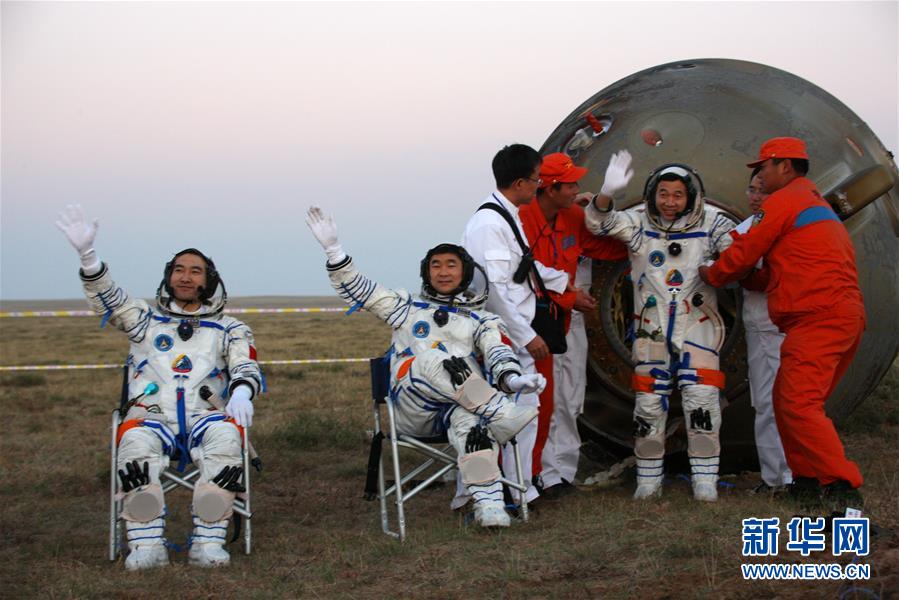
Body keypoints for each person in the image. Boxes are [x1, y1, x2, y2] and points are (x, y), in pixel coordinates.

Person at [305, 206, 545, 528]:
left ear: (466, 272)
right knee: (431, 357)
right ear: (426, 272)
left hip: (456, 410)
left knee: (472, 426)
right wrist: (334, 251)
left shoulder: (482, 319)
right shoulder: (406, 309)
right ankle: (500, 412)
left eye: (451, 265)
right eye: (436, 265)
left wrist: (513, 380)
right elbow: (362, 291)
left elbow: (498, 352)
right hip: (412, 410)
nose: (443, 272)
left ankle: (489, 505)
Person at [55, 205, 262, 570]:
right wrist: (89, 259)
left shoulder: (229, 327)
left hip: (206, 416)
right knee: (135, 444)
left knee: (227, 440)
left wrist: (243, 390)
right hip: (151, 416)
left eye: (195, 271)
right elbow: (109, 300)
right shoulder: (144, 321)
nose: (186, 277)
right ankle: (147, 544)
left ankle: (208, 543)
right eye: (179, 270)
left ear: (210, 281)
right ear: (168, 277)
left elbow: (245, 363)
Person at [699, 137, 866, 505]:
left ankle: (843, 491)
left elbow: (745, 252)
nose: (760, 176)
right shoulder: (811, 202)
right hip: (838, 316)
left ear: (784, 166)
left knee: (798, 405)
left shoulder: (784, 201)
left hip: (819, 318)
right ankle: (804, 483)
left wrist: (712, 274)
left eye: (764, 167)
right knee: (787, 401)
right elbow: (772, 273)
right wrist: (748, 278)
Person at [584, 151, 736, 501]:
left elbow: (739, 253)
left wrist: (721, 263)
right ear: (652, 195)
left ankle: (705, 481)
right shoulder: (640, 223)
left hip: (698, 327)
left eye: (678, 195)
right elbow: (599, 223)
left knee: (702, 401)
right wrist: (606, 193)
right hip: (651, 329)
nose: (669, 202)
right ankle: (648, 480)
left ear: (691, 196)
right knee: (649, 405)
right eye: (663, 194)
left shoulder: (713, 223)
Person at [461, 144, 572, 506]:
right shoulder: (490, 224)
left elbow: (522, 269)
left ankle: (521, 486)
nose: (539, 186)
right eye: (537, 180)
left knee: (525, 413)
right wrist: (527, 337)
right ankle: (509, 489)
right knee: (509, 414)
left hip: (515, 330)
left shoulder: (506, 216)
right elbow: (494, 290)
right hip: (506, 335)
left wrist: (562, 282)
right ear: (521, 183)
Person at [518, 153, 628, 496]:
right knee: (540, 399)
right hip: (535, 324)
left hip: (569, 322)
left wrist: (642, 235)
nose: (577, 189)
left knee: (570, 397)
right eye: (570, 185)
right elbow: (528, 276)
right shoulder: (521, 220)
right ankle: (534, 472)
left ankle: (560, 474)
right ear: (550, 188)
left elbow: (604, 248)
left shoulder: (573, 216)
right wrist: (571, 298)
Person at [738, 168, 792, 493]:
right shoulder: (743, 229)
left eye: (764, 191)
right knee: (763, 402)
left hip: (781, 325)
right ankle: (774, 476)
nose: (757, 197)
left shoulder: (787, 227)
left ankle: (789, 476)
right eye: (752, 190)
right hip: (757, 327)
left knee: (785, 401)